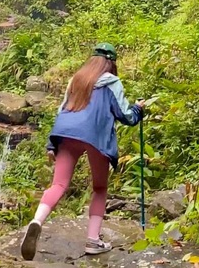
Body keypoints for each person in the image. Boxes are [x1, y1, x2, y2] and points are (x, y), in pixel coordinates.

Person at [20, 42, 144, 261]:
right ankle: (93, 241)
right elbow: (127, 116)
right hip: (95, 135)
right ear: (111, 63)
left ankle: (37, 221)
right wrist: (138, 109)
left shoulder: (76, 80)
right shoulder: (112, 82)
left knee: (58, 184)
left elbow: (62, 110)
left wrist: (52, 144)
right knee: (99, 187)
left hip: (65, 132)